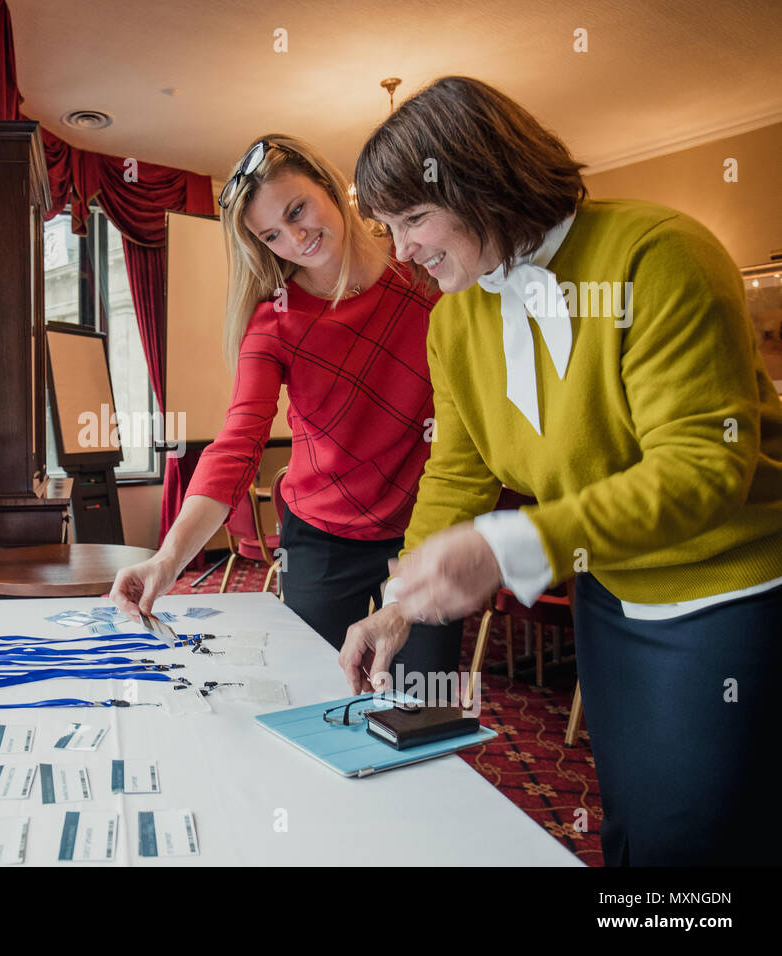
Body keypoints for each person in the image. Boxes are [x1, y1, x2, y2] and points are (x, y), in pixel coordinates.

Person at [344, 75, 782, 866]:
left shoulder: (661, 252)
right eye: (388, 224)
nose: (400, 250)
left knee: (705, 836)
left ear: (483, 182)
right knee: (631, 817)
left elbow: (700, 469)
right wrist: (397, 605)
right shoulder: (453, 320)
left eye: (414, 218)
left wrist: (512, 545)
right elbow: (459, 471)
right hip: (609, 589)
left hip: (729, 589)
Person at [111, 134, 463, 685]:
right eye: (271, 234)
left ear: (329, 185)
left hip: (427, 525)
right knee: (321, 695)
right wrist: (167, 559)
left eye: (297, 209)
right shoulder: (274, 321)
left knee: (425, 704)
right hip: (322, 535)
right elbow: (236, 445)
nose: (296, 238)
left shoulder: (425, 276)